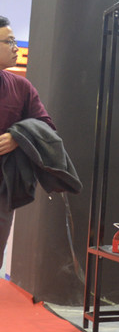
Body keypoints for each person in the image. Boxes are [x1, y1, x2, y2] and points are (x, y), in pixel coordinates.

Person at [0, 15, 55, 264]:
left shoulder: (21, 88)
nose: (16, 48)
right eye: (9, 42)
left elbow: (47, 128)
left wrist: (18, 136)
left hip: (2, 188)